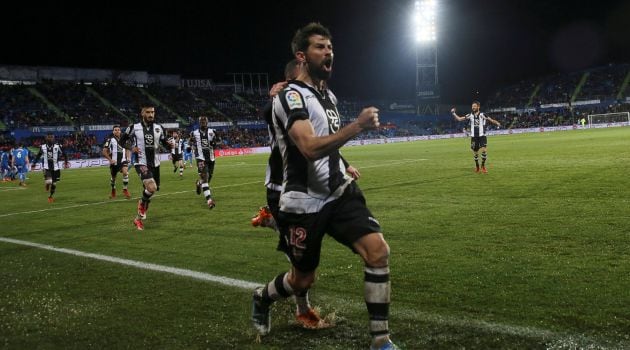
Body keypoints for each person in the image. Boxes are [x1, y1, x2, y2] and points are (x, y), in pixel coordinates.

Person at [251, 23, 398, 350]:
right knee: (303, 279)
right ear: (302, 56)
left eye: (330, 46)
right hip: (302, 202)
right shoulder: (289, 96)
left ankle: (381, 342)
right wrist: (357, 125)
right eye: (320, 47)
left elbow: (326, 143)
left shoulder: (328, 96)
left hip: (338, 191)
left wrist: (343, 163)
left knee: (378, 251)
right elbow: (309, 147)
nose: (329, 52)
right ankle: (262, 297)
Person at [120, 105, 174, 230]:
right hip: (141, 162)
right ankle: (141, 204)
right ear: (142, 113)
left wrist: (169, 145)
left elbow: (164, 141)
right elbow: (122, 141)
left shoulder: (159, 128)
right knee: (151, 187)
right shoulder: (134, 127)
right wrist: (131, 148)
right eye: (148, 112)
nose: (151, 115)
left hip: (156, 164)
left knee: (150, 193)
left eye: (153, 112)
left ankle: (137, 219)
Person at [451, 101, 501, 174]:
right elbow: (459, 119)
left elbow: (491, 120)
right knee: (475, 153)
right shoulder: (470, 115)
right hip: (474, 137)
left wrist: (497, 123)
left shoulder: (482, 114)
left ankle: (483, 166)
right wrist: (453, 113)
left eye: (474, 106)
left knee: (484, 151)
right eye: (472, 106)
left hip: (482, 136)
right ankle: (477, 166)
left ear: (478, 107)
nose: (473, 107)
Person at [189, 116, 218, 209]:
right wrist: (190, 146)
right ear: (199, 123)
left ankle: (199, 183)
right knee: (205, 178)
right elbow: (190, 142)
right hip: (201, 158)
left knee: (208, 179)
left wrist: (214, 143)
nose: (203, 123)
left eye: (204, 121)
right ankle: (209, 200)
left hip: (211, 159)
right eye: (201, 121)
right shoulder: (194, 133)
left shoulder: (212, 132)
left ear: (207, 122)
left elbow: (217, 142)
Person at [31, 133, 69, 202]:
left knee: (54, 184)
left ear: (53, 138)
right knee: (49, 181)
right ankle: (47, 183)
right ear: (46, 138)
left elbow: (64, 154)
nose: (50, 138)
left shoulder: (57, 146)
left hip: (56, 168)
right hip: (46, 167)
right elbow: (38, 156)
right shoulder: (42, 147)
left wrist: (66, 163)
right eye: (49, 137)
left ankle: (50, 197)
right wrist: (34, 164)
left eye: (51, 137)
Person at [102, 125, 131, 199]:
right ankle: (113, 190)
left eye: (118, 130)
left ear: (120, 131)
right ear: (113, 131)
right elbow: (104, 151)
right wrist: (110, 160)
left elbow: (128, 149)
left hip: (123, 160)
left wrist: (128, 157)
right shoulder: (110, 140)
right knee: (113, 178)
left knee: (125, 172)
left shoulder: (124, 139)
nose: (117, 131)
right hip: (114, 162)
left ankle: (125, 189)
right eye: (115, 130)